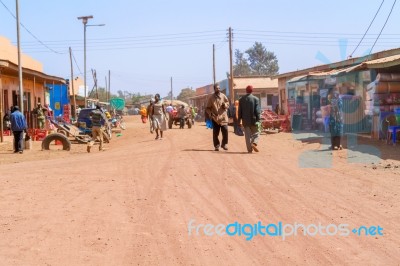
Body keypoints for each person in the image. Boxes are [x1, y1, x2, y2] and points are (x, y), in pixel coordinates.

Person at [206, 84, 229, 151]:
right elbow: (207, 108)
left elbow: (227, 103)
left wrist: (225, 105)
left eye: (219, 88)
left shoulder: (223, 96)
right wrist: (210, 114)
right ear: (214, 89)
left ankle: (224, 144)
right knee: (215, 133)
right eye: (217, 88)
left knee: (225, 130)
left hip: (223, 117)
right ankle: (217, 145)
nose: (218, 89)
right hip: (215, 118)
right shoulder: (211, 98)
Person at [238, 85, 261, 153]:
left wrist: (239, 121)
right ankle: (254, 143)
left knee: (247, 136)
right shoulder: (255, 99)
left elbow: (240, 111)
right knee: (257, 133)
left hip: (245, 121)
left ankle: (249, 150)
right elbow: (257, 111)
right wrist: (258, 119)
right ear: (252, 91)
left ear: (246, 91)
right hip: (254, 120)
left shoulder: (241, 99)